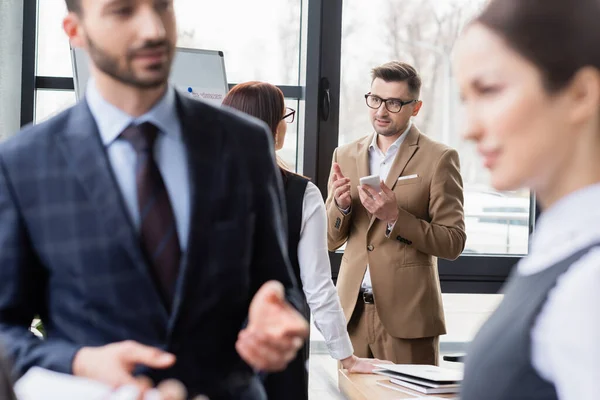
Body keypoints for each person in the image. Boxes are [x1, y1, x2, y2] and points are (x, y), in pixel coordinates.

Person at [0, 1, 309, 399]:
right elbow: (5, 325)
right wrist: (79, 362)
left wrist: (282, 317)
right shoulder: (24, 162)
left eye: (161, 6)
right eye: (123, 11)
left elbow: (280, 286)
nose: (153, 30)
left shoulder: (244, 143)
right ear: (75, 31)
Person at [453, 0, 600, 399]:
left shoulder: (591, 281)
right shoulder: (560, 250)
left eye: (489, 90)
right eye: (465, 99)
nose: (469, 128)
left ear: (580, 94)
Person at [222, 82, 383, 400]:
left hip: (214, 346)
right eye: (285, 116)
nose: (286, 124)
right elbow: (318, 286)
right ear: (271, 127)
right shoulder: (301, 193)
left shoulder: (203, 185)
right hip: (280, 348)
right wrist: (345, 355)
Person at [326, 61, 466, 365]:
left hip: (409, 319)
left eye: (393, 103)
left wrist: (395, 218)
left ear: (415, 108)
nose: (381, 111)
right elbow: (329, 240)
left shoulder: (439, 158)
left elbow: (453, 242)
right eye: (375, 99)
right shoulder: (345, 155)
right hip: (352, 316)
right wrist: (341, 207)